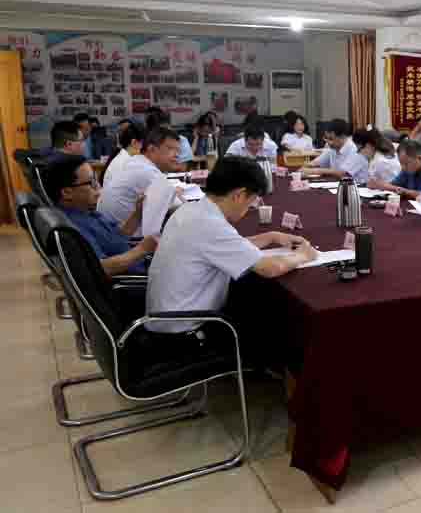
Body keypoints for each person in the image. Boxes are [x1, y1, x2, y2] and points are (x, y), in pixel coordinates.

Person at [145, 156, 318, 366]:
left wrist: (271, 237)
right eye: (251, 201)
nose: (249, 208)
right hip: (184, 335)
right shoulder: (210, 225)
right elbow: (270, 268)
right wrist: (303, 256)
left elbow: (227, 248)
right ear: (239, 195)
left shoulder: (192, 210)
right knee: (265, 307)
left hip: (166, 318)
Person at [44, 155, 157, 276]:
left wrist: (138, 213)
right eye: (92, 183)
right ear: (67, 192)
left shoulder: (85, 210)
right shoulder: (74, 227)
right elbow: (101, 267)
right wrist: (142, 249)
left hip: (142, 265)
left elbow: (117, 235)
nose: (99, 189)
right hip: (138, 279)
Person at [97, 125, 180, 227]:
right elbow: (178, 206)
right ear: (152, 149)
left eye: (178, 150)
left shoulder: (136, 161)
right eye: (171, 149)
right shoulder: (147, 172)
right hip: (119, 234)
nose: (177, 154)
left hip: (111, 229)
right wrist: (174, 193)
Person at [303, 126, 369, 183]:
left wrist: (316, 171)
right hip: (339, 184)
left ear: (342, 137)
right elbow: (315, 163)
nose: (328, 142)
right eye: (326, 138)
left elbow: (343, 173)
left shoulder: (354, 149)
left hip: (358, 187)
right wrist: (305, 167)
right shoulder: (332, 148)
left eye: (331, 139)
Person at [103, 122, 145, 188]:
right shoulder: (125, 163)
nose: (144, 148)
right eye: (142, 143)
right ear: (134, 142)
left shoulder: (124, 157)